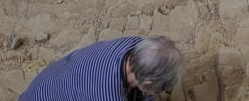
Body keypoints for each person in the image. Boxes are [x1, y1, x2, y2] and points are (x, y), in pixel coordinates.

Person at [19, 35, 181, 101]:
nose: (161, 92)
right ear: (146, 85)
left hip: (51, 83)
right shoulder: (107, 95)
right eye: (161, 88)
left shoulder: (135, 45)